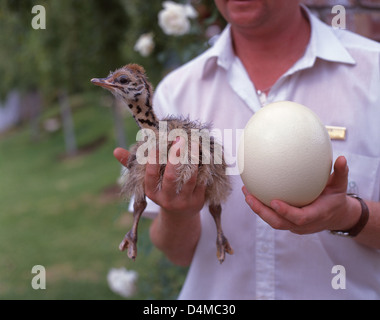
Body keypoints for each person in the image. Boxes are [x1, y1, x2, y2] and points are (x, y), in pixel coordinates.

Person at [114, 0, 380, 299]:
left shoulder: (373, 74)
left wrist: (350, 216)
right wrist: (178, 214)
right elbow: (178, 253)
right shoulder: (180, 89)